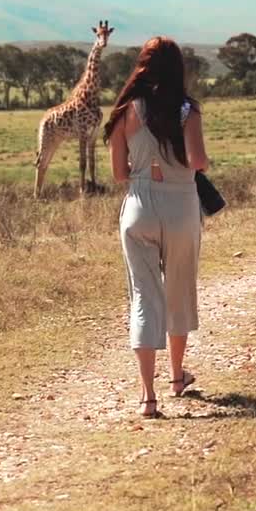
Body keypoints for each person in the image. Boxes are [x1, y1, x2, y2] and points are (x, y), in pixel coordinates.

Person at [103, 36, 211, 418]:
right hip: (181, 205)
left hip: (138, 207)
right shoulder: (187, 110)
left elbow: (119, 174)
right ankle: (177, 377)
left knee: (143, 298)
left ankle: (148, 396)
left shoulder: (124, 111)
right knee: (179, 290)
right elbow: (198, 160)